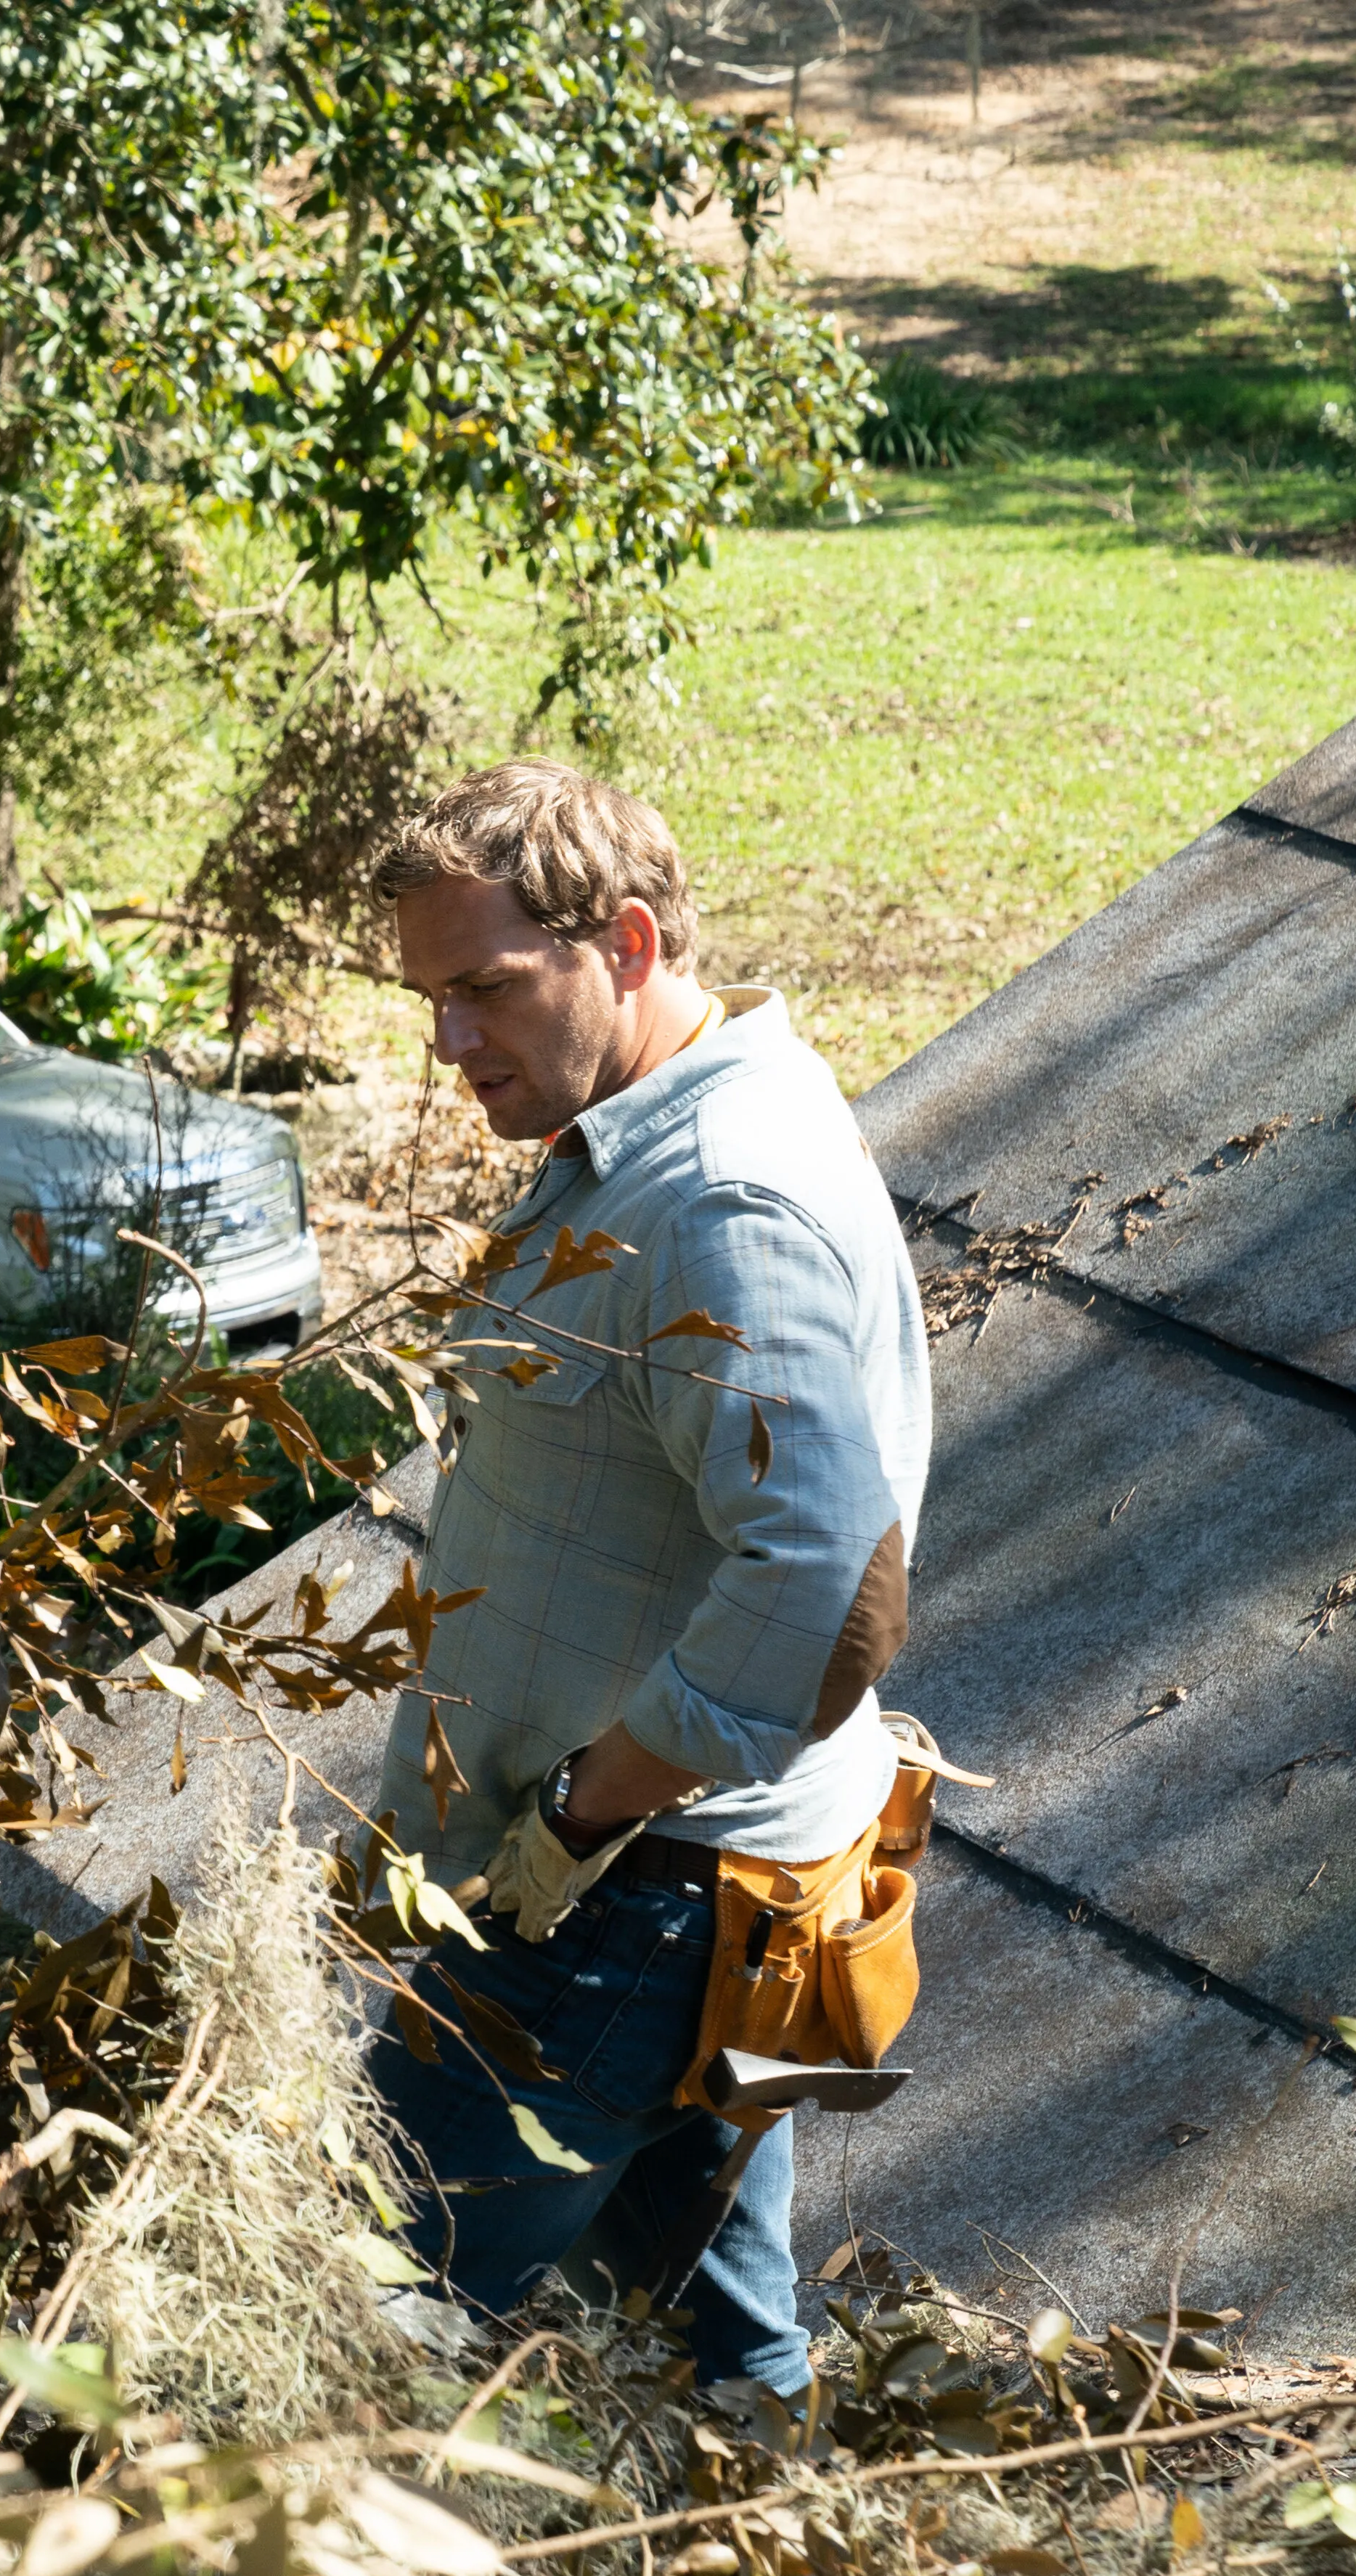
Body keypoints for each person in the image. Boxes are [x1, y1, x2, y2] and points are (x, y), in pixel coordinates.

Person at [362, 761, 929, 2404]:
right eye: (431, 998)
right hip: (685, 1890)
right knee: (715, 2352)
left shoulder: (721, 1196)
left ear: (621, 939)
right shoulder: (654, 1132)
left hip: (635, 1899)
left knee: (354, 2306)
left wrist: (585, 1818)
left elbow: (828, 1587)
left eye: (481, 989)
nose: (447, 1044)